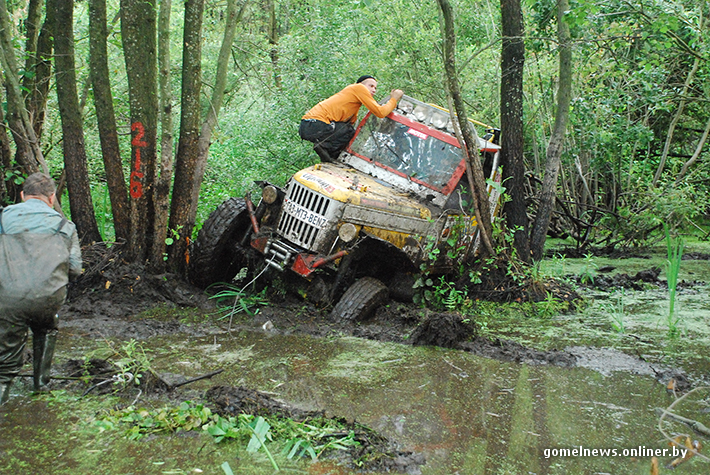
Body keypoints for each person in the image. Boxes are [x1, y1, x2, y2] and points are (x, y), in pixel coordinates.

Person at [0, 173, 82, 404]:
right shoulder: (65, 226)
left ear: (23, 195)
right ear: (52, 197)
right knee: (46, 327)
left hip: (8, 298)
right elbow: (75, 269)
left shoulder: (3, 219)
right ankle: (41, 386)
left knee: (4, 368)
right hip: (48, 297)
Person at [299, 75, 404, 161]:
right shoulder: (359, 88)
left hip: (308, 126)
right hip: (314, 124)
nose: (373, 90)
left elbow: (350, 124)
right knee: (349, 131)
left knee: (349, 132)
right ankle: (324, 147)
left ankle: (330, 158)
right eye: (371, 86)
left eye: (375, 88)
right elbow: (381, 112)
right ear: (361, 85)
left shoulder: (352, 104)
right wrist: (394, 99)